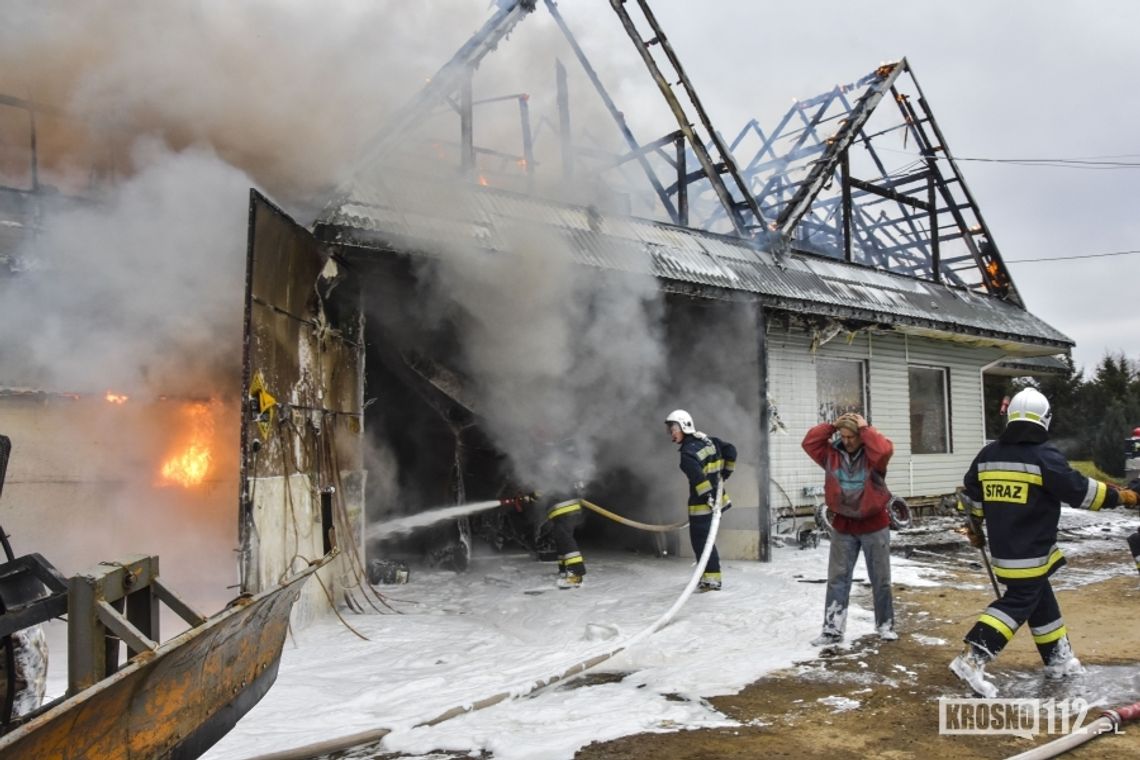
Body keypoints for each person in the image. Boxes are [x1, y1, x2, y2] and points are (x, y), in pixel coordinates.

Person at [951, 387, 1140, 698]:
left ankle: (1059, 660)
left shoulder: (988, 455)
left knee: (1040, 600)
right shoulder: (1044, 456)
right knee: (1018, 602)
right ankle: (972, 658)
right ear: (1045, 420)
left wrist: (974, 525)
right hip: (1031, 552)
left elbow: (970, 494)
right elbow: (1081, 491)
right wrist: (1123, 496)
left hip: (1004, 551)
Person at [801, 411, 897, 645]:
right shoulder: (829, 454)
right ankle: (832, 630)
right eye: (842, 436)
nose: (847, 441)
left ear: (861, 436)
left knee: (880, 578)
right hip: (844, 524)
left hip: (874, 524)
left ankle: (885, 625)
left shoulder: (874, 457)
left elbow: (884, 449)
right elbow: (809, 442)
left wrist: (865, 429)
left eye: (851, 436)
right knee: (838, 579)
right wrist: (832, 425)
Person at [665, 409, 736, 591]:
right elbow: (731, 450)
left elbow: (699, 479)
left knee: (702, 543)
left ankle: (712, 580)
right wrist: (727, 471)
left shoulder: (687, 454)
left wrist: (708, 497)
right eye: (670, 429)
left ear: (684, 426)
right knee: (705, 542)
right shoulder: (709, 441)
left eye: (674, 429)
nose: (671, 433)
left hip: (703, 505)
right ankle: (707, 577)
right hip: (717, 500)